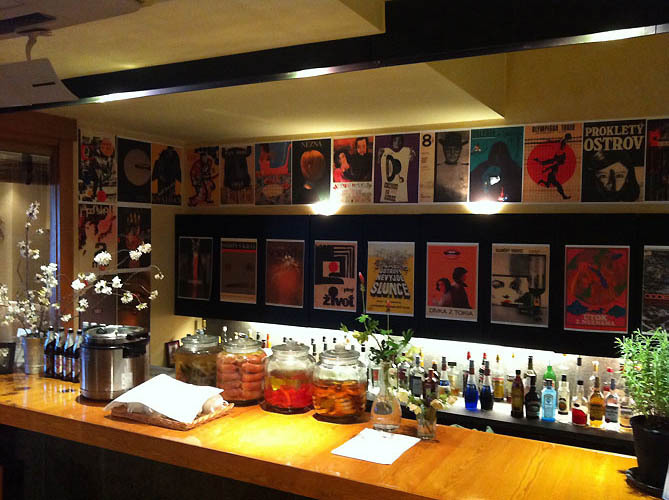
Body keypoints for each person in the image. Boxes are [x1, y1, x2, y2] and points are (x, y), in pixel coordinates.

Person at [532, 133, 572, 200]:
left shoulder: (556, 162)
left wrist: (544, 170)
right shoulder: (556, 161)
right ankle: (564, 196)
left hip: (551, 174)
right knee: (558, 186)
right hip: (552, 176)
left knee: (549, 185)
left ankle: (563, 196)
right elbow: (549, 165)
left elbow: (549, 166)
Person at [377, 135, 415, 202]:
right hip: (388, 193)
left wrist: (412, 154)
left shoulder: (405, 152)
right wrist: (379, 156)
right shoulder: (385, 152)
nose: (397, 143)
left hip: (401, 192)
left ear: (402, 142)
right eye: (395, 140)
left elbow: (412, 160)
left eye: (399, 141)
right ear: (392, 142)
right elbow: (378, 163)